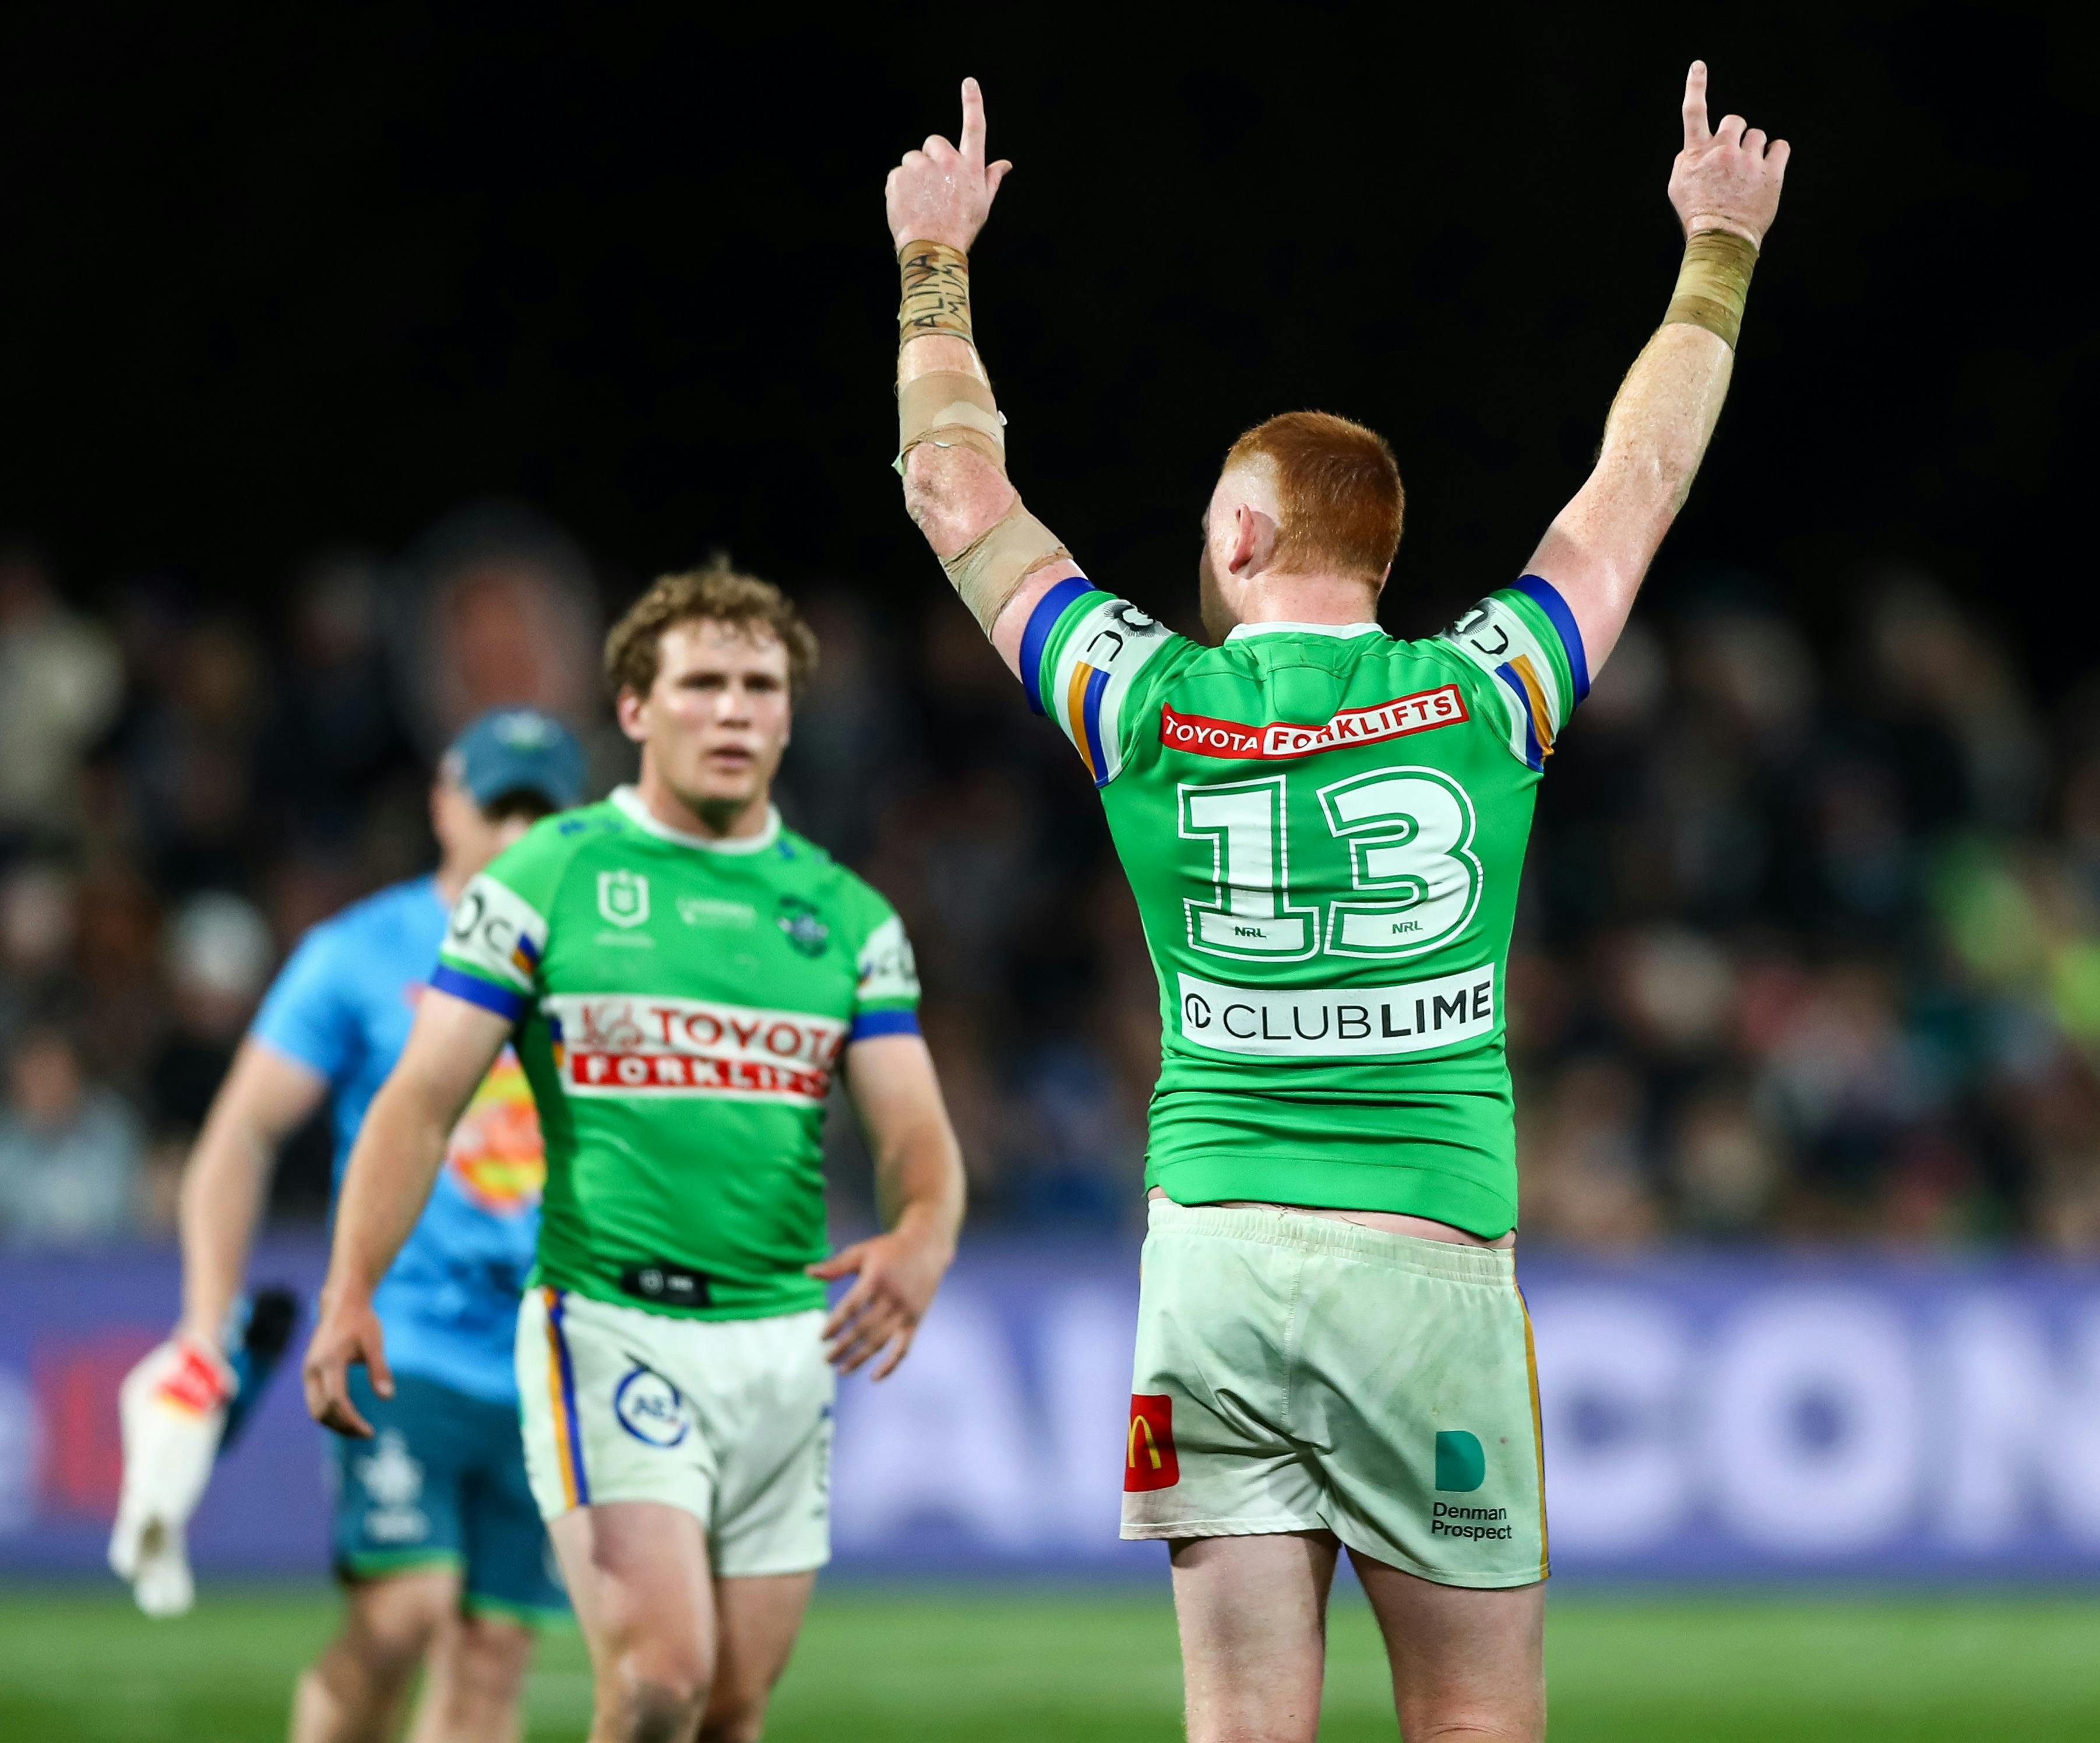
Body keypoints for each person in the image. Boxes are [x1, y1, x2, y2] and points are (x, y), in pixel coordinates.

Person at [886, 67, 1787, 1742]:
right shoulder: (1492, 688)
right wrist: (1714, 253)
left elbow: (954, 493)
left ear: (1239, 532)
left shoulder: (1140, 698)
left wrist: (932, 267)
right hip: (1423, 1261)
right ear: (1377, 550)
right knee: (1471, 1722)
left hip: (1212, 1261)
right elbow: (1638, 479)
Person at [302, 565, 968, 1743]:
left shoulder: (847, 915)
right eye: (702, 683)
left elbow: (914, 1130)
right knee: (660, 1679)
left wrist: (922, 1235)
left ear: (789, 714)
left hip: (780, 1343)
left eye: (760, 686)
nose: (733, 710)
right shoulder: (545, 877)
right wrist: (351, 1284)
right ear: (633, 708)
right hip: (607, 1321)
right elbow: (418, 1104)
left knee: (731, 1709)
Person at [111, 708, 588, 1742]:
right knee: (404, 1612)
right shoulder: (359, 955)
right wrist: (203, 1326)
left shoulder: (599, 960)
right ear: (445, 806)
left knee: (494, 1654)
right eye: (498, 807)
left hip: (551, 1354)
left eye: (541, 814)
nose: (517, 834)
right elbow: (238, 1138)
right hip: (398, 1338)